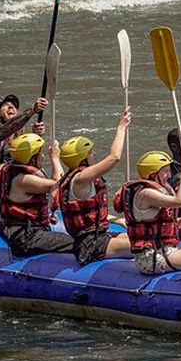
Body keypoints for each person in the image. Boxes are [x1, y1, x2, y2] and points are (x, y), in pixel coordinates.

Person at [55, 107, 133, 265]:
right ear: (82, 158)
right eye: (90, 152)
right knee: (146, 245)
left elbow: (90, 214)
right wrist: (121, 127)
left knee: (144, 237)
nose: (94, 154)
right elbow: (114, 157)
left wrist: (116, 220)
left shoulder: (75, 177)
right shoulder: (80, 179)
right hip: (89, 245)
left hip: (98, 236)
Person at [113, 151, 181, 274]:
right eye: (165, 171)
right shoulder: (145, 194)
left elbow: (170, 224)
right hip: (152, 258)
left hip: (165, 250)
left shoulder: (161, 190)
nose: (169, 175)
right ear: (153, 174)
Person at [0, 133, 74, 257]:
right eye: (40, 154)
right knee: (77, 243)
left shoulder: (12, 171)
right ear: (31, 158)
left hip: (31, 233)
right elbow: (59, 183)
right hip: (26, 238)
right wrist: (55, 158)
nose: (42, 156)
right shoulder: (24, 180)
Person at [0, 94, 47, 236]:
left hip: (18, 199)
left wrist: (35, 136)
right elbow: (8, 128)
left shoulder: (19, 144)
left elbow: (32, 166)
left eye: (14, 106)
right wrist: (32, 111)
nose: (11, 107)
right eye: (6, 105)